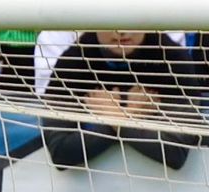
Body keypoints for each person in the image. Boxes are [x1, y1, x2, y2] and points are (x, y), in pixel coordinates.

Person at [41, 30, 199, 169]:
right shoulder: (73, 62)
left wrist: (115, 120)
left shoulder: (174, 61)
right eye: (111, 19)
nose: (121, 32)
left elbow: (176, 152)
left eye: (129, 19)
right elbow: (60, 152)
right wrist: (123, 120)